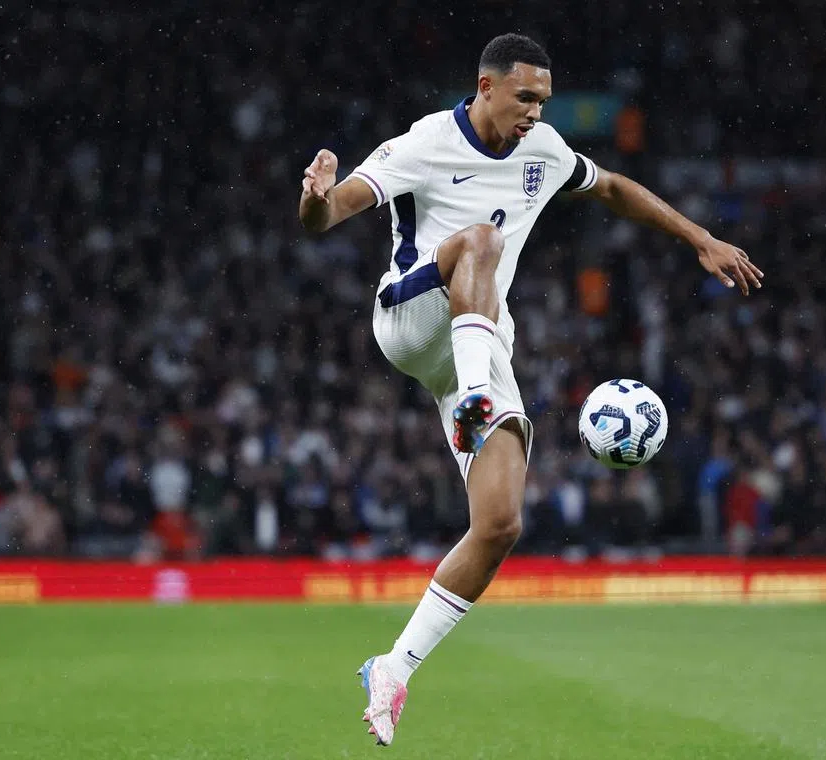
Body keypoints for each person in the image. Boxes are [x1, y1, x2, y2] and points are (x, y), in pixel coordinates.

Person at [298, 33, 762, 746]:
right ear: (485, 87)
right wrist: (315, 199)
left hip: (476, 343)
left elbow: (609, 187)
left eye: (543, 100)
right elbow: (330, 216)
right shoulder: (425, 143)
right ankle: (479, 400)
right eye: (524, 98)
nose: (535, 113)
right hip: (411, 318)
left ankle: (393, 667)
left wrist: (698, 236)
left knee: (500, 524)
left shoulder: (542, 151)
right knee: (481, 241)